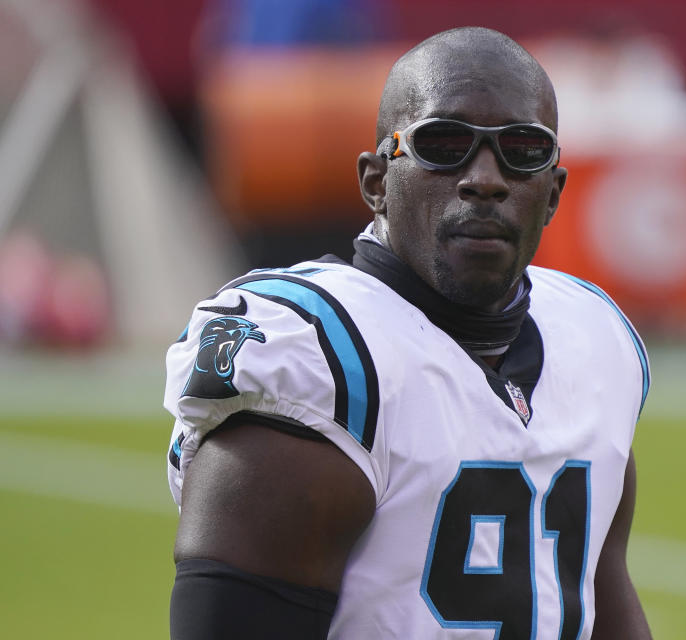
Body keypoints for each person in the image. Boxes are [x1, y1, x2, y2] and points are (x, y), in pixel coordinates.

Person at [164, 26, 652, 639]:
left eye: (522, 151)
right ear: (375, 183)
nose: (484, 178)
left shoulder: (594, 339)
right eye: (443, 144)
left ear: (552, 193)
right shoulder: (319, 359)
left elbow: (604, 601)